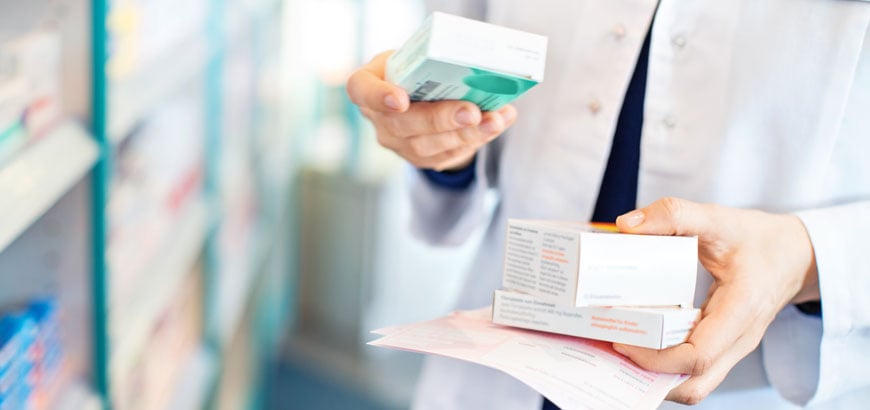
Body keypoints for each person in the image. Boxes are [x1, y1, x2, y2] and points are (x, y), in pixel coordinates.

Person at [347, 1, 870, 409]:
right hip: (506, 359)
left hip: (759, 378)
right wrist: (435, 141)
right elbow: (461, 82)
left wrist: (806, 258)